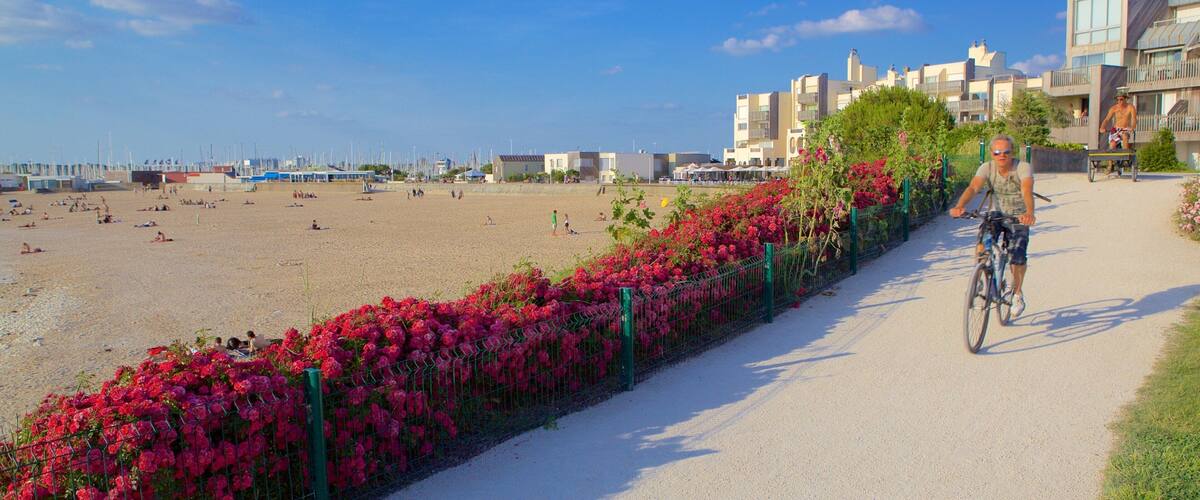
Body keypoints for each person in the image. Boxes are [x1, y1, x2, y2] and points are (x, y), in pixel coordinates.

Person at [949, 134, 1036, 317]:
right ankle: (978, 276)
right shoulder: (987, 167)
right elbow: (973, 187)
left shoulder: (1022, 167)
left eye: (1006, 152)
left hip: (1018, 216)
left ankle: (1018, 293)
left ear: (1012, 153)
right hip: (996, 213)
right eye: (997, 152)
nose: (1001, 156)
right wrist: (960, 206)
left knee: (1018, 256)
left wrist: (1029, 213)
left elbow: (1027, 189)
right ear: (991, 153)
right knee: (983, 239)